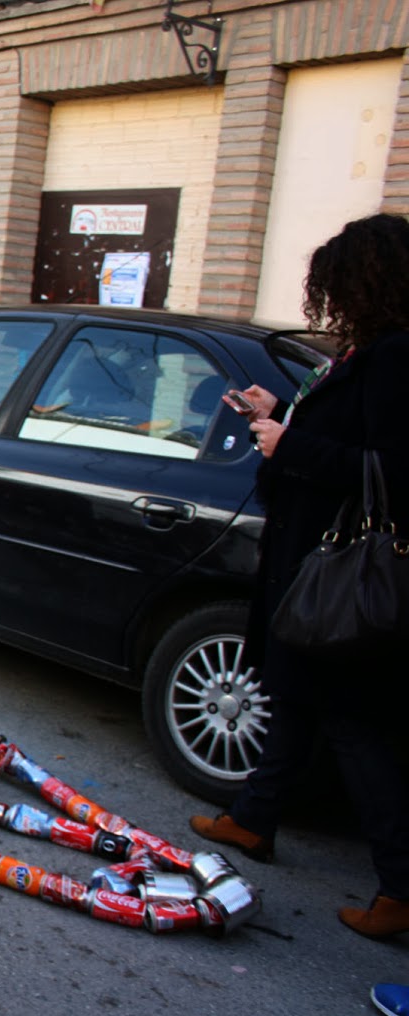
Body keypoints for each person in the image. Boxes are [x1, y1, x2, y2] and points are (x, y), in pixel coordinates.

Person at [189, 213, 409, 939]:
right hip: (310, 557)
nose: (330, 299)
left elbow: (389, 469)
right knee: (295, 695)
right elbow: (344, 436)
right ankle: (255, 818)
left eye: (338, 284)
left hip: (339, 567)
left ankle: (400, 886)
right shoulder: (365, 352)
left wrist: (290, 444)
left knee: (351, 722)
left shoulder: (395, 357)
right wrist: (278, 412)